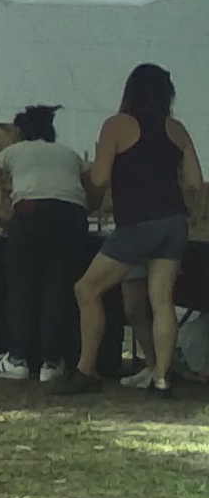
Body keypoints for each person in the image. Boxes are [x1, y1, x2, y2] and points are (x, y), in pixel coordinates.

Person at [75, 64, 205, 396]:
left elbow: (100, 178)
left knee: (87, 289)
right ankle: (161, 378)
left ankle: (85, 370)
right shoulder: (176, 129)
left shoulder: (117, 125)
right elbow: (194, 182)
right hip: (173, 221)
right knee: (161, 300)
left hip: (136, 222)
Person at [0, 102, 93, 387]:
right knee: (59, 287)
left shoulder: (13, 152)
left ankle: (17, 359)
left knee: (22, 287)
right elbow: (96, 190)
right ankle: (51, 363)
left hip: (30, 214)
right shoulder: (69, 154)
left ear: (20, 132)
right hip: (71, 217)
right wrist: (81, 211)